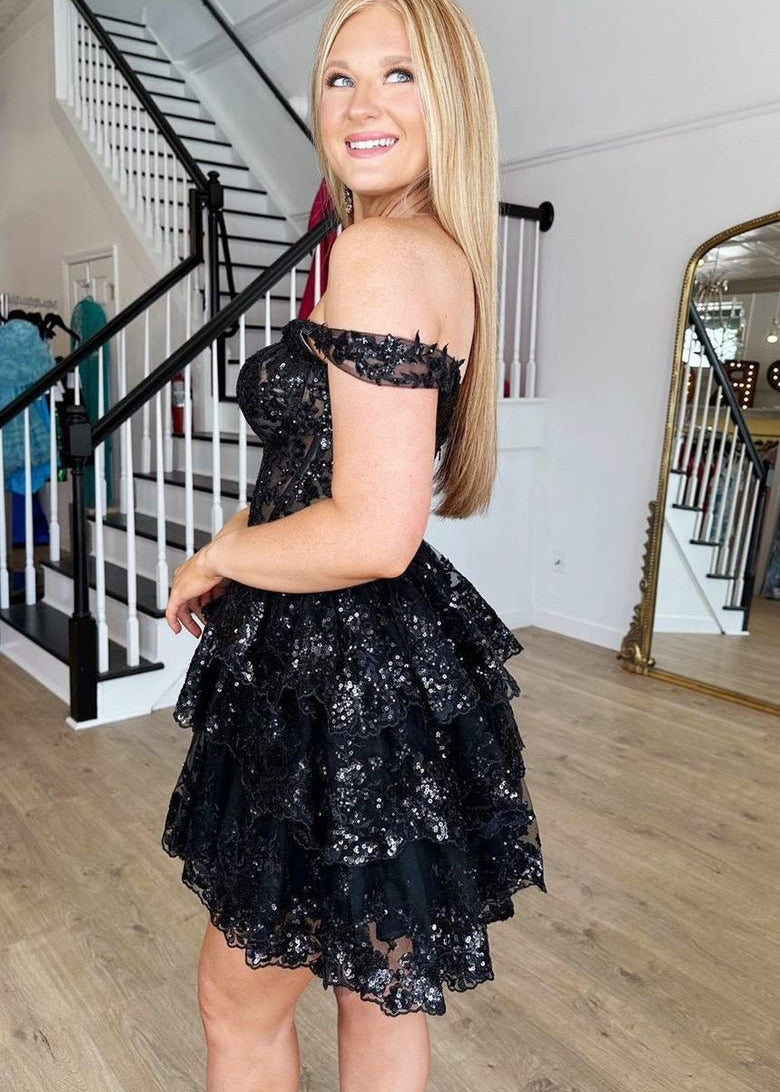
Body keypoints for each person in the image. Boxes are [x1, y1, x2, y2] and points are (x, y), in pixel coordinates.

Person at [160, 2, 547, 1090]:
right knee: (377, 990)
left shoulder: (380, 252)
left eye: (399, 75)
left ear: (452, 100)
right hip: (377, 669)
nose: (361, 104)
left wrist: (222, 554)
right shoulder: (439, 253)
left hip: (331, 668)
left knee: (237, 1005)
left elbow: (374, 532)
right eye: (339, 78)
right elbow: (347, 495)